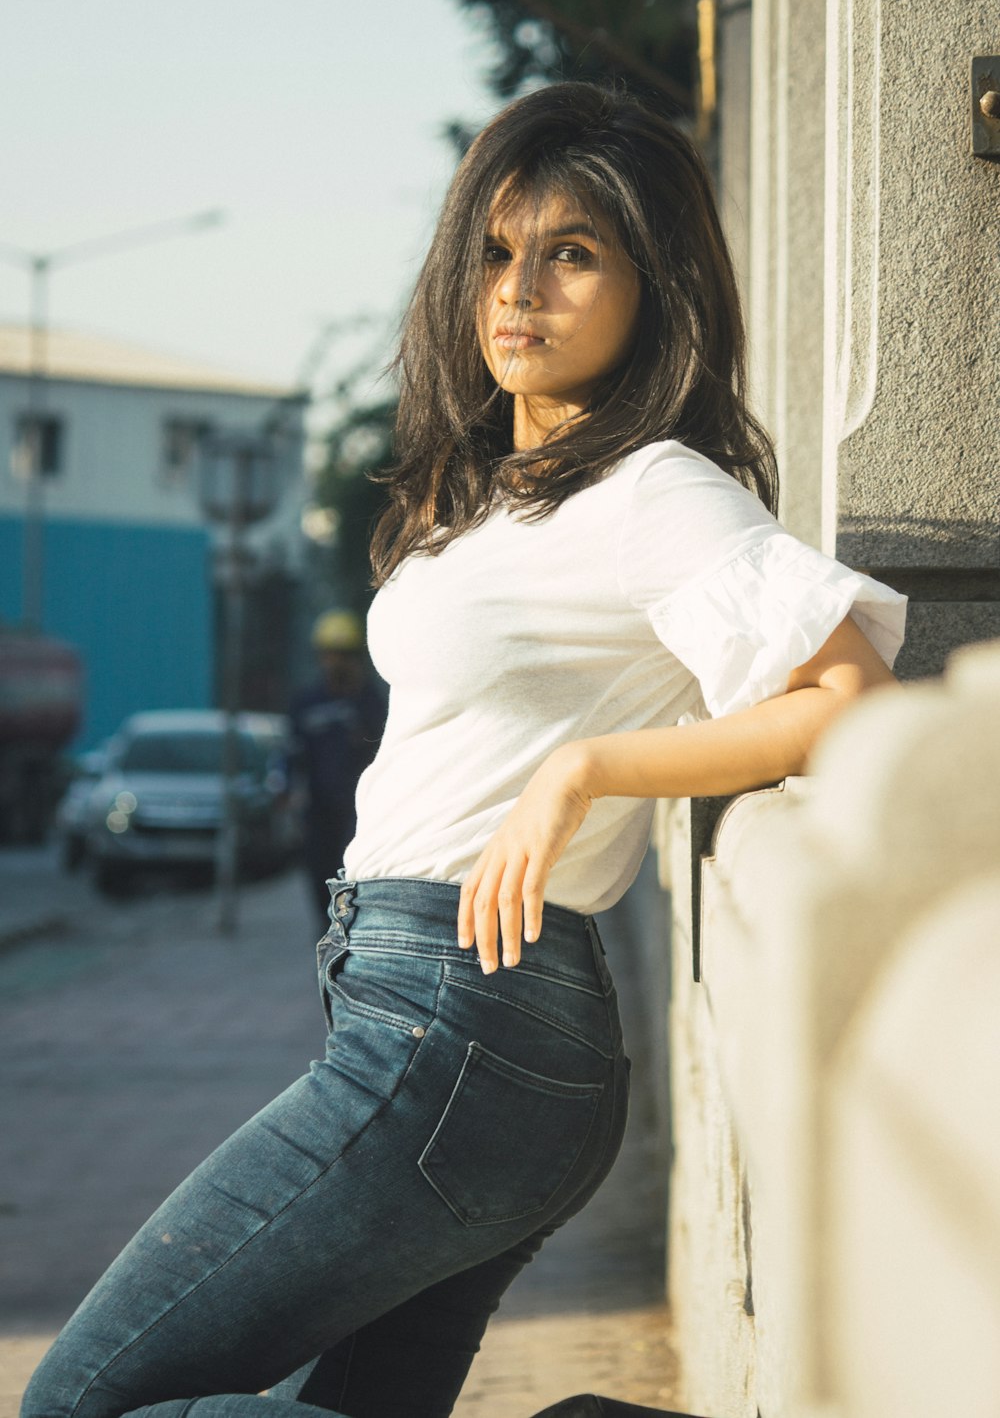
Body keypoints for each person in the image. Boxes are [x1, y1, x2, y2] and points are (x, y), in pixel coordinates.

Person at [22, 82, 905, 1418]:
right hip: (438, 1016)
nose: (519, 290)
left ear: (649, 283)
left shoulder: (655, 491)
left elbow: (850, 695)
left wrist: (589, 771)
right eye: (498, 251)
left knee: (74, 1402)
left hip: (464, 1018)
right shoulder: (501, 495)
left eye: (573, 252)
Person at [290, 610, 386, 933]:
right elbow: (292, 755)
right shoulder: (306, 703)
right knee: (320, 886)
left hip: (360, 817)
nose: (335, 663)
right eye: (329, 655)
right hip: (318, 816)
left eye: (343, 655)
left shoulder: (372, 703)